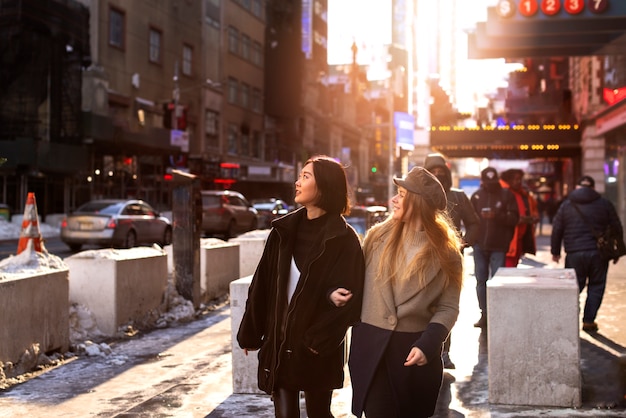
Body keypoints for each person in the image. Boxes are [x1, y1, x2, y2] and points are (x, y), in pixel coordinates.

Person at [237, 155, 365, 418]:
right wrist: (250, 331)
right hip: (280, 344)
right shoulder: (282, 231)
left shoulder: (344, 239)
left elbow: (352, 301)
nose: (297, 182)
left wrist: (317, 340)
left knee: (319, 413)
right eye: (300, 176)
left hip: (317, 348)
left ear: (325, 186)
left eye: (306, 177)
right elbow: (262, 285)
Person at [348, 166, 463, 418]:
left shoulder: (447, 253)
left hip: (413, 353)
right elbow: (354, 281)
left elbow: (449, 306)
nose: (394, 199)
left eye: (401, 194)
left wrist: (428, 344)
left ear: (418, 201)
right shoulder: (377, 237)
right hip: (372, 348)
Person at [424, 153, 480, 369]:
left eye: (441, 172)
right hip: (423, 261)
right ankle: (425, 349)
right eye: (433, 171)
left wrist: (464, 242)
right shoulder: (418, 196)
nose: (438, 175)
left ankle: (444, 352)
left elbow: (474, 223)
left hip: (450, 262)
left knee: (446, 307)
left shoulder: (458, 196)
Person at [550, 175, 625, 332]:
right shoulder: (605, 204)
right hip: (599, 254)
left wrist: (555, 251)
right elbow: (617, 227)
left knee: (574, 288)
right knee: (596, 286)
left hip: (574, 253)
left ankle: (571, 320)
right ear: (592, 188)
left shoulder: (567, 205)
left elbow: (557, 229)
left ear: (577, 187)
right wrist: (618, 250)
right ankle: (589, 321)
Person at [470, 167, 519, 328]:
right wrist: (473, 239)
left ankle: (498, 314)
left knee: (498, 282)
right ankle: (484, 314)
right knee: (480, 281)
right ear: (483, 181)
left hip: (499, 245)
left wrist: (497, 216)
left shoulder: (506, 195)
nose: (490, 185)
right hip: (480, 245)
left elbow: (514, 218)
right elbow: (470, 220)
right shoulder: (477, 196)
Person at [499, 169, 539, 267]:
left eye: (520, 179)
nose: (518, 182)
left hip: (519, 239)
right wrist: (516, 219)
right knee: (507, 268)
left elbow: (534, 209)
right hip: (507, 239)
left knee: (513, 266)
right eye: (516, 179)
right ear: (508, 180)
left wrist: (533, 217)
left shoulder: (524, 194)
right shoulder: (503, 193)